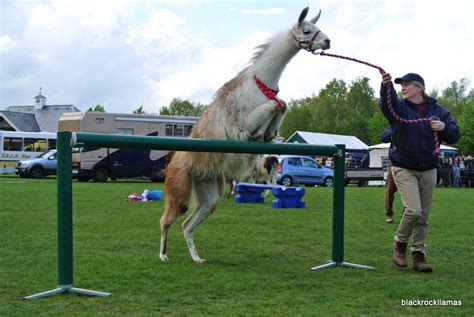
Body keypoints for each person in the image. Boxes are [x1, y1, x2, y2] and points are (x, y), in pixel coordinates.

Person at [380, 72, 460, 273]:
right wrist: (386, 87)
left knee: (423, 216)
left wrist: (443, 127)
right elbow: (386, 107)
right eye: (401, 85)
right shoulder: (400, 107)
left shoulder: (437, 110)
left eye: (406, 85)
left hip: (428, 168)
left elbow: (454, 134)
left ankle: (419, 256)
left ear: (419, 88)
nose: (403, 88)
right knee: (413, 210)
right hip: (403, 166)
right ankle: (399, 243)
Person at [380, 127, 400, 224]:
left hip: (412, 162)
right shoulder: (397, 123)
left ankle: (408, 215)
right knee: (389, 188)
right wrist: (397, 127)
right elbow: (384, 137)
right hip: (396, 162)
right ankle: (389, 214)